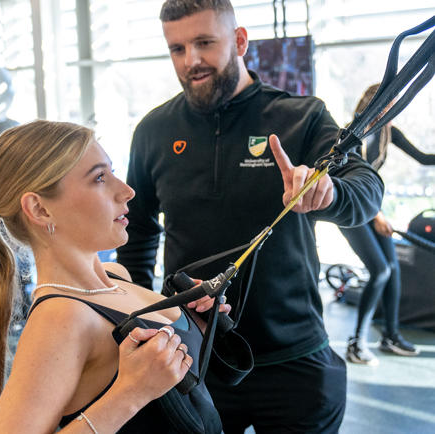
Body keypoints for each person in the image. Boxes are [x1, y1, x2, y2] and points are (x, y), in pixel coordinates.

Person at [117, 1, 384, 432]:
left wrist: (330, 191)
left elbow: (367, 187)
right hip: (196, 360)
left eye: (205, 43)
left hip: (295, 361)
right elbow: (139, 233)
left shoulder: (302, 118)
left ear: (240, 41)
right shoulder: (153, 131)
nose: (192, 61)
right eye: (177, 48)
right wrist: (142, 320)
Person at [0, 120, 230, 434]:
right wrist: (129, 394)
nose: (127, 191)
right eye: (100, 178)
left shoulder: (117, 276)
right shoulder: (60, 318)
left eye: (111, 172)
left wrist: (196, 322)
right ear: (40, 209)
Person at [343, 83, 434, 365]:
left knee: (393, 268)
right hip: (352, 209)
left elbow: (423, 158)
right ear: (376, 106)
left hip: (371, 206)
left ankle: (390, 336)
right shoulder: (351, 132)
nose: (395, 112)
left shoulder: (387, 132)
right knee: (380, 270)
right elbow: (347, 178)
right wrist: (377, 215)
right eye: (391, 106)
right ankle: (356, 343)